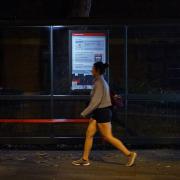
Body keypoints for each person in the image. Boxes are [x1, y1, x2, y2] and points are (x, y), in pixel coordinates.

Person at [72, 61, 137, 167]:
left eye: (92, 68)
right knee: (89, 134)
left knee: (108, 136)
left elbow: (95, 101)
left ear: (97, 70)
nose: (91, 70)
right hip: (98, 113)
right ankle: (84, 159)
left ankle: (129, 154)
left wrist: (84, 113)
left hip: (102, 112)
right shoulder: (99, 81)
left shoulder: (99, 83)